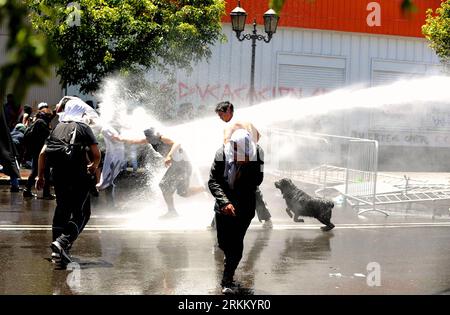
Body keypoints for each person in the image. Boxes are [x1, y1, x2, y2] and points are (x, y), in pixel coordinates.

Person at [35, 100, 101, 268]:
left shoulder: (57, 126)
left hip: (58, 176)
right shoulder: (83, 127)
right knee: (82, 213)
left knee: (62, 209)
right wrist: (94, 166)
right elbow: (96, 153)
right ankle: (62, 242)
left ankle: (56, 251)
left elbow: (43, 154)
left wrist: (40, 177)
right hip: (78, 176)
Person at [208, 129, 264, 294]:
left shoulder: (258, 153)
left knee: (235, 244)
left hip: (244, 205)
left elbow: (258, 180)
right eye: (242, 155)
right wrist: (225, 202)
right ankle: (229, 261)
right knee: (223, 243)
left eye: (248, 155)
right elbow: (213, 181)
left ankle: (227, 280)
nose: (246, 158)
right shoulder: (221, 154)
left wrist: (244, 167)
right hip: (223, 205)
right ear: (232, 148)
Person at [114, 127, 203, 218]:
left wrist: (169, 156)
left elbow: (177, 143)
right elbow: (135, 141)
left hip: (182, 165)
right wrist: (120, 139)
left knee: (164, 186)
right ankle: (205, 188)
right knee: (183, 193)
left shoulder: (162, 138)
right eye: (147, 137)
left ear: (155, 135)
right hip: (178, 166)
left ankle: (172, 212)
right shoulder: (150, 140)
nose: (148, 139)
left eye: (150, 137)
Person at [214, 101, 273, 229]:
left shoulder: (231, 126)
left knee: (229, 187)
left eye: (221, 115)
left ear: (228, 111)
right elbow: (258, 136)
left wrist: (236, 157)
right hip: (252, 157)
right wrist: (250, 152)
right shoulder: (246, 122)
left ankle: (216, 222)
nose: (220, 118)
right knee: (252, 188)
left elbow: (226, 145)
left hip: (239, 161)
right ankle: (267, 219)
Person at [23, 106, 54, 199]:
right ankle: (46, 193)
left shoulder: (37, 122)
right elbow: (48, 136)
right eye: (50, 116)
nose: (50, 118)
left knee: (36, 171)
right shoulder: (41, 123)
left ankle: (27, 190)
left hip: (36, 150)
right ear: (47, 115)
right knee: (46, 171)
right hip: (41, 151)